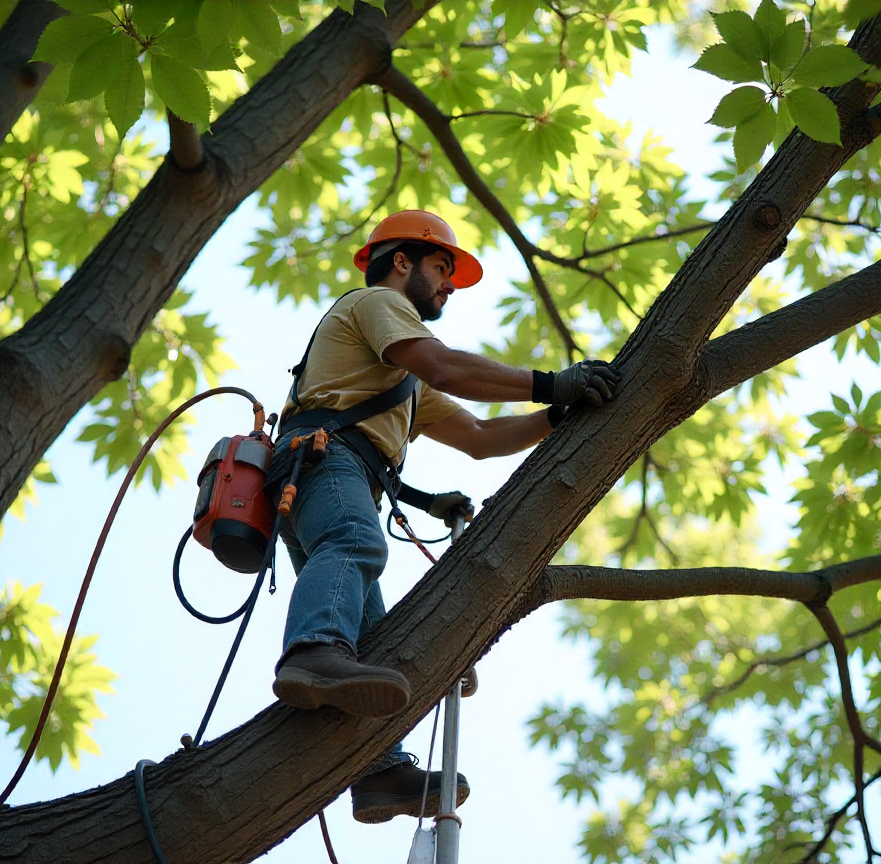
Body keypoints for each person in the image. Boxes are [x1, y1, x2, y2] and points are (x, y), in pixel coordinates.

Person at [265, 210, 619, 823]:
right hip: (326, 464)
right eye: (441, 267)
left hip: (335, 475)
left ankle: (378, 772)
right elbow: (448, 367)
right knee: (356, 542)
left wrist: (556, 414)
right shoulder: (377, 304)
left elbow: (479, 436)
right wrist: (550, 383)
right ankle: (311, 650)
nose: (450, 285)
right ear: (401, 262)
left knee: (375, 640)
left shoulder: (401, 377)